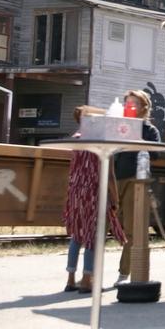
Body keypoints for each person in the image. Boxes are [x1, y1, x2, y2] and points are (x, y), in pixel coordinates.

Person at [63, 105, 126, 293]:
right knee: (92, 236)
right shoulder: (102, 144)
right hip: (93, 194)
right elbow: (110, 175)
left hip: (75, 192)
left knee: (76, 235)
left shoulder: (76, 139)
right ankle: (87, 280)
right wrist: (115, 200)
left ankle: (70, 279)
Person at [113, 89, 160, 286]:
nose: (129, 107)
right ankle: (89, 273)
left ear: (143, 108)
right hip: (114, 179)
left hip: (135, 180)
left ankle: (124, 273)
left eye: (133, 104)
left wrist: (139, 141)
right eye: (127, 103)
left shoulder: (149, 130)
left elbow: (156, 154)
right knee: (102, 225)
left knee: (132, 229)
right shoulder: (118, 126)